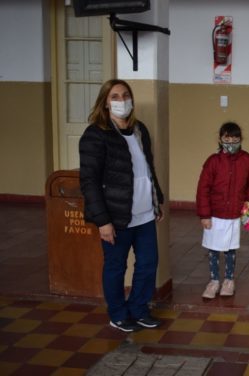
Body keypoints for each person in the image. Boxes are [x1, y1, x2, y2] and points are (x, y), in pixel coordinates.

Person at [79, 79, 164, 333]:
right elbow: (89, 181)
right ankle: (117, 314)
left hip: (145, 214)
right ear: (105, 102)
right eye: (114, 96)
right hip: (115, 217)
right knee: (116, 267)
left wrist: (156, 199)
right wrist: (102, 220)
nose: (121, 100)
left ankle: (139, 309)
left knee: (148, 263)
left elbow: (147, 169)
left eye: (125, 95)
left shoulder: (140, 130)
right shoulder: (95, 135)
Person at [196, 122, 249, 299]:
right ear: (220, 139)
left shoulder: (247, 160)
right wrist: (204, 215)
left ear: (241, 139)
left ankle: (229, 280)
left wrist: (248, 202)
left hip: (234, 214)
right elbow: (203, 189)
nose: (231, 142)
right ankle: (214, 280)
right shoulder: (213, 162)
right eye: (227, 138)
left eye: (235, 139)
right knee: (213, 249)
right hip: (214, 214)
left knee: (230, 249)